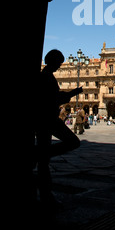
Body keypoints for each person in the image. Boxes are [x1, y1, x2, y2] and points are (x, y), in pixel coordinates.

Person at [35, 49, 83, 205]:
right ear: (53, 61)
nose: (60, 66)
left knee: (44, 161)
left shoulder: (46, 76)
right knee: (73, 142)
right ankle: (39, 155)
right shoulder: (46, 77)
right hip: (47, 118)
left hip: (45, 118)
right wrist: (73, 93)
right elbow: (54, 98)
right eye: (59, 63)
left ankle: (45, 193)